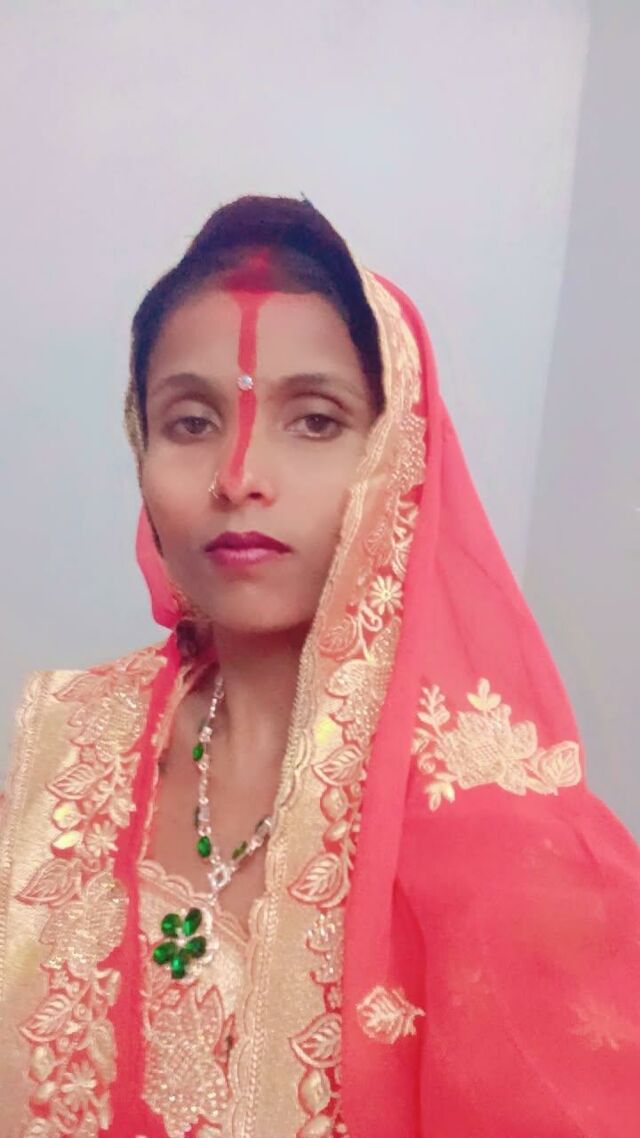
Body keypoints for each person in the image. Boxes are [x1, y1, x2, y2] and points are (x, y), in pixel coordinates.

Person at [0, 195, 638, 1138]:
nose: (239, 476)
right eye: (191, 422)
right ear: (140, 448)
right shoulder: (68, 746)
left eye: (313, 421)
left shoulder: (513, 839)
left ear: (398, 456)